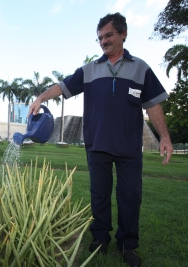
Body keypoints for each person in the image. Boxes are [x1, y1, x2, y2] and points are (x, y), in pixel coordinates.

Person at [28, 12, 173, 267]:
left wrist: (165, 137)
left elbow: (153, 106)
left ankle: (128, 244)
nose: (103, 41)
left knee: (130, 196)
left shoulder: (141, 68)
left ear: (123, 33)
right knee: (99, 195)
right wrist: (40, 98)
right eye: (100, 38)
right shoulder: (89, 70)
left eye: (108, 35)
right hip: (97, 145)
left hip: (129, 148)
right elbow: (62, 87)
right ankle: (100, 239)